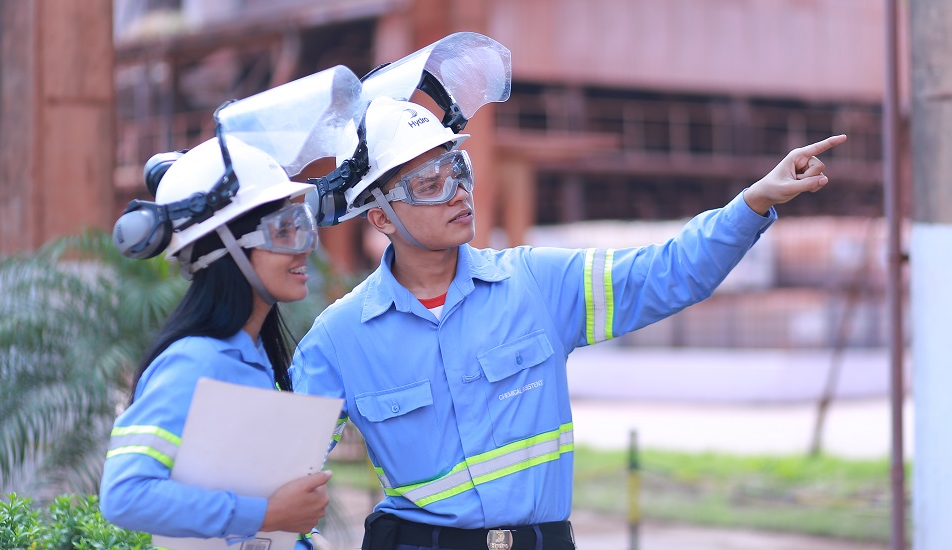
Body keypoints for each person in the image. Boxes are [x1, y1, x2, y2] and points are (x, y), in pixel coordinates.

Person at [291, 95, 847, 550]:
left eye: (457, 170)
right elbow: (277, 480)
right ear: (381, 217)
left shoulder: (536, 284)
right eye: (429, 184)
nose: (458, 192)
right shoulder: (338, 340)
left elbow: (669, 274)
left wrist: (752, 202)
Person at [100, 135, 333, 549]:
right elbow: (124, 494)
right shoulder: (195, 361)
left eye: (303, 227)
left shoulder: (251, 354)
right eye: (286, 231)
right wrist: (268, 514)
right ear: (228, 249)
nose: (306, 248)